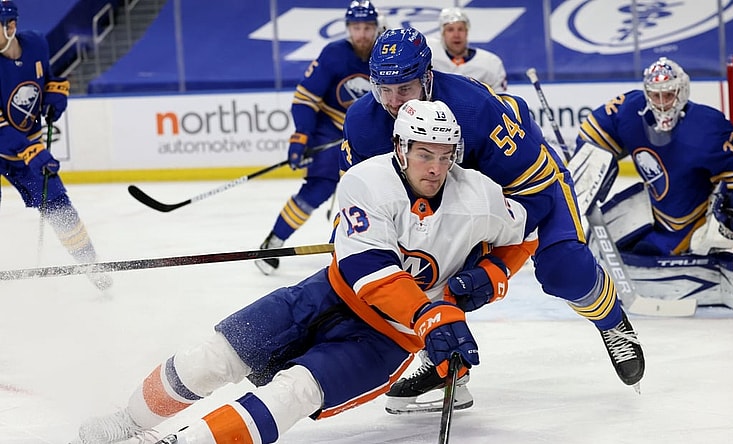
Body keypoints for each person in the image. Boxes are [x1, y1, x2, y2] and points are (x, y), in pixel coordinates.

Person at [71, 99, 538, 444]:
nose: (435, 167)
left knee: (293, 392)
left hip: (386, 339)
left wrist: (492, 276)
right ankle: (127, 421)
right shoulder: (366, 180)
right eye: (424, 153)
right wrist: (431, 316)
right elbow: (370, 270)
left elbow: (527, 233)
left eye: (444, 155)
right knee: (212, 357)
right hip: (326, 294)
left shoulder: (478, 196)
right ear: (400, 147)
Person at [342, 27, 645, 415]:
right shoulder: (363, 121)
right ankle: (445, 364)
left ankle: (611, 320)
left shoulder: (473, 109)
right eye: (384, 89)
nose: (394, 102)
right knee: (415, 267)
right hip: (456, 199)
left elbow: (533, 193)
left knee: (563, 270)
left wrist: (497, 267)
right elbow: (362, 199)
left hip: (526, 185)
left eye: (405, 88)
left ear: (427, 77)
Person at [576, 57, 733, 308]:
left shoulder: (708, 126)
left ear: (682, 91)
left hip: (689, 222)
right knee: (594, 247)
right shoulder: (631, 109)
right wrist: (591, 165)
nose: (662, 103)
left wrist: (728, 214)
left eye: (669, 95)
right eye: (655, 95)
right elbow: (592, 132)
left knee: (644, 256)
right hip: (652, 209)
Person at [254, 0, 379, 275]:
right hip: (331, 127)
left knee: (380, 191)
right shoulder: (334, 54)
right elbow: (305, 98)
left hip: (370, 132)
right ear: (348, 28)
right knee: (318, 188)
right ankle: (274, 241)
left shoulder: (385, 54)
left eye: (367, 27)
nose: (362, 34)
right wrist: (302, 134)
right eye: (356, 27)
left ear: (376, 27)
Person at [0, 0, 111, 290]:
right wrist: (31, 151)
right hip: (13, 145)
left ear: (11, 27)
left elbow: (50, 78)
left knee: (58, 204)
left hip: (27, 145)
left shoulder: (36, 43)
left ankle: (91, 265)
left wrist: (54, 95)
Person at [428, 7, 507, 93]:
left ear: (467, 32)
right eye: (450, 30)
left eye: (460, 29)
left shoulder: (491, 63)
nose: (456, 35)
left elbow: (500, 98)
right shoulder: (430, 57)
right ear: (442, 34)